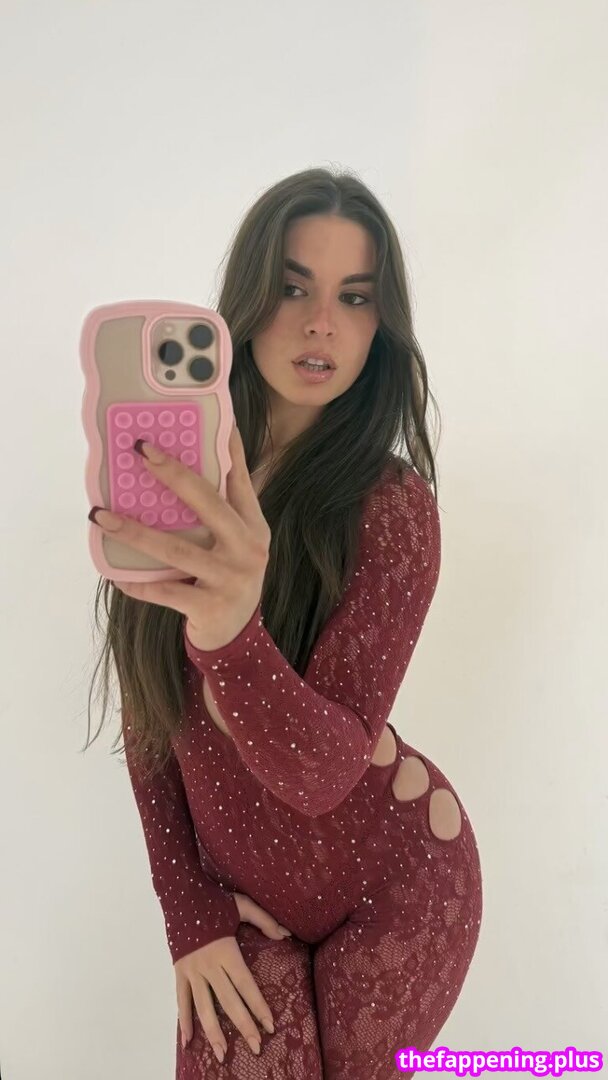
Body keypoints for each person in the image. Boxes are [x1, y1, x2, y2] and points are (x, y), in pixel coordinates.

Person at [85, 166, 483, 1078]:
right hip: (243, 897)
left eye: (356, 297)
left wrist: (232, 634)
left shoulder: (391, 509)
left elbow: (324, 775)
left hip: (400, 883)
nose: (321, 323)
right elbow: (151, 716)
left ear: (380, 327)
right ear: (249, 300)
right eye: (295, 288)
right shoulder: (167, 486)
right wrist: (189, 916)